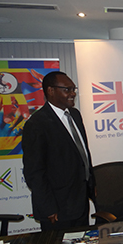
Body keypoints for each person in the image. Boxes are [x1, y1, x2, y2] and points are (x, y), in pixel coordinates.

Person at [22, 71, 95, 231]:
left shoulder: (75, 115)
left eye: (73, 89)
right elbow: (34, 172)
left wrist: (92, 189)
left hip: (80, 201)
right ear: (51, 91)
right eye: (67, 89)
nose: (73, 93)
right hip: (57, 209)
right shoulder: (37, 124)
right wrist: (48, 207)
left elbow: (82, 154)